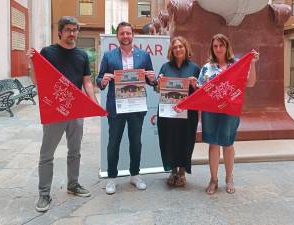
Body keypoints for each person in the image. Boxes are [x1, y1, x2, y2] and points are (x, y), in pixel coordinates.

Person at [27, 16, 97, 212]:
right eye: (68, 30)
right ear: (60, 32)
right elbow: (37, 81)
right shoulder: (48, 52)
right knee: (47, 154)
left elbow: (87, 81)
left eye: (75, 30)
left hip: (76, 111)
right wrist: (32, 62)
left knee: (75, 151)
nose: (72, 33)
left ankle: (73, 185)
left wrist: (93, 103)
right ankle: (44, 193)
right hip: (54, 111)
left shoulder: (82, 55)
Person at [96, 21, 155, 195]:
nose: (126, 36)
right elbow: (99, 80)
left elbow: (151, 81)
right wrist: (103, 80)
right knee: (113, 142)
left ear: (133, 35)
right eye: (122, 34)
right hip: (116, 107)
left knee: (136, 142)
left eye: (128, 33)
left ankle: (135, 175)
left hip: (136, 107)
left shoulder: (143, 56)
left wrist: (152, 78)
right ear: (118, 36)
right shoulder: (109, 56)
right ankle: (112, 178)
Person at [197, 34, 259, 195]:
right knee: (213, 144)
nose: (218, 49)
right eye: (215, 46)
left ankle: (229, 177)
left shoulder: (237, 64)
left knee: (228, 144)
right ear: (212, 48)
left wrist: (252, 63)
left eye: (221, 45)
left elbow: (251, 83)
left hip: (230, 110)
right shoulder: (207, 67)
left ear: (227, 46)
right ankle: (213, 179)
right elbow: (200, 91)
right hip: (210, 111)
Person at [156, 36, 199, 187]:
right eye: (175, 47)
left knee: (186, 140)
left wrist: (195, 85)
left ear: (186, 48)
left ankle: (182, 172)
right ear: (171, 50)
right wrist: (159, 83)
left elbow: (200, 92)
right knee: (169, 140)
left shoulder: (194, 68)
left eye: (181, 46)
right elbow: (157, 89)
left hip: (188, 113)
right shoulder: (165, 67)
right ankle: (172, 171)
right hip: (168, 113)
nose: (178, 49)